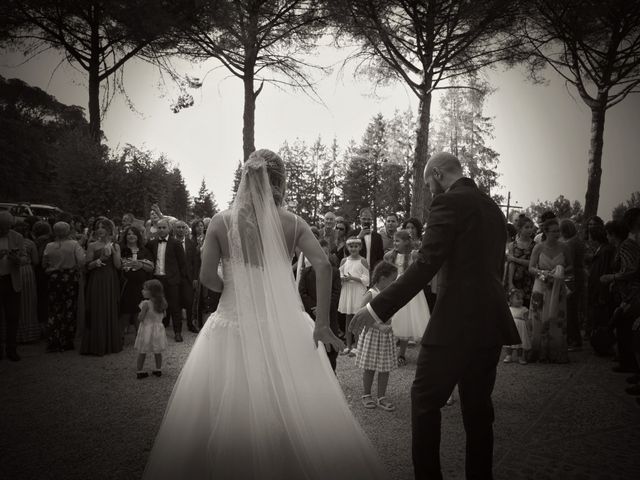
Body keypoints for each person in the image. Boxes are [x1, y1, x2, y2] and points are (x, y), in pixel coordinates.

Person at [142, 149, 386, 480]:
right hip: (284, 325)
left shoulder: (220, 221)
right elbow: (325, 264)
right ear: (280, 181)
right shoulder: (293, 223)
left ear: (246, 178)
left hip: (233, 322)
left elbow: (207, 278)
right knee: (292, 402)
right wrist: (323, 323)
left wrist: (234, 284)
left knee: (224, 405)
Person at [350, 152, 520, 480]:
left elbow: (426, 263)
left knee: (425, 401)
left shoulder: (448, 204)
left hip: (456, 323)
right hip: (491, 323)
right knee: (478, 410)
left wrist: (376, 308)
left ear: (439, 174)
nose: (430, 192)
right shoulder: (494, 210)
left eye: (429, 183)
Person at [356, 261, 399, 412]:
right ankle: (366, 395)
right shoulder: (371, 294)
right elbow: (360, 315)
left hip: (386, 336)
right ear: (382, 278)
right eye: (393, 279)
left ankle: (381, 396)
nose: (395, 282)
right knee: (369, 368)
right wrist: (378, 325)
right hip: (373, 335)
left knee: (385, 368)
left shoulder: (389, 293)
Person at [527, 218, 572, 364]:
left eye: (558, 230)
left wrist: (560, 270)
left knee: (557, 318)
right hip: (541, 285)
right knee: (539, 317)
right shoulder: (538, 248)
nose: (557, 234)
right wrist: (543, 274)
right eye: (553, 231)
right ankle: (538, 352)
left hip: (558, 287)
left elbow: (571, 266)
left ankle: (556, 352)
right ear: (546, 232)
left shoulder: (564, 247)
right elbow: (531, 267)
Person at [384, 229, 431, 367]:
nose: (395, 243)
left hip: (410, 291)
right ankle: (389, 351)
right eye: (394, 241)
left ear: (406, 242)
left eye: (397, 241)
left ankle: (401, 354)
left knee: (405, 322)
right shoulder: (389, 256)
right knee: (392, 320)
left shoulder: (413, 255)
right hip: (393, 289)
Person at [80, 217, 123, 356]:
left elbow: (117, 266)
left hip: (110, 279)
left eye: (103, 227)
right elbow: (87, 266)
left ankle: (109, 343)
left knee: (109, 307)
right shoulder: (92, 245)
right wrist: (100, 259)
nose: (100, 230)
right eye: (98, 227)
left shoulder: (116, 245)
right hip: (97, 279)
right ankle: (96, 344)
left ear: (109, 230)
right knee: (97, 307)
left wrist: (114, 251)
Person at [298, 239, 341, 371]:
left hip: (329, 316)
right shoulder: (305, 272)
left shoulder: (335, 272)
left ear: (329, 254)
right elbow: (302, 292)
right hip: (311, 315)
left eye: (325, 253)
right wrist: (314, 307)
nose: (322, 255)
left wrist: (323, 308)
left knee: (331, 350)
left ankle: (332, 375)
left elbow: (336, 293)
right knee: (312, 347)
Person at [42, 222, 85, 352]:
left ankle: (54, 340)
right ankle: (67, 341)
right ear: (68, 231)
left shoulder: (49, 246)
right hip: (69, 278)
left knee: (54, 309)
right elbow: (81, 261)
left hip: (54, 278)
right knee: (69, 309)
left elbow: (44, 264)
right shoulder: (74, 245)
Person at [147, 219, 187, 342]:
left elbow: (182, 263)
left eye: (164, 227)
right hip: (157, 279)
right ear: (156, 229)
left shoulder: (176, 243)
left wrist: (178, 279)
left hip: (172, 280)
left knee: (175, 306)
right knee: (157, 306)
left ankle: (178, 332)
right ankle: (157, 332)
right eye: (159, 228)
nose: (161, 230)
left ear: (169, 229)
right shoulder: (151, 243)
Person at [0, 211, 28, 361]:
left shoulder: (17, 237)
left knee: (13, 317)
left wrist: (17, 259)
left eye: (7, 227)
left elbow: (25, 258)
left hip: (12, 281)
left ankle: (12, 349)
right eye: (2, 227)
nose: (5, 230)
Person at [119, 226, 154, 334]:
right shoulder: (120, 249)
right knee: (125, 311)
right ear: (125, 236)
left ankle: (140, 338)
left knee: (139, 311)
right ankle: (120, 337)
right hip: (125, 285)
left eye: (133, 234)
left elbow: (151, 267)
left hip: (141, 286)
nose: (131, 236)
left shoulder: (145, 250)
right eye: (128, 234)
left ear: (138, 236)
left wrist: (141, 264)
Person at [338, 237, 370, 356]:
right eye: (351, 246)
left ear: (360, 247)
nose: (353, 249)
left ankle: (357, 346)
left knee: (357, 318)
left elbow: (367, 280)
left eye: (356, 246)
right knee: (348, 318)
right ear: (348, 248)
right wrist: (343, 278)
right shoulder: (344, 261)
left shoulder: (363, 261)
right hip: (347, 290)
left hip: (358, 291)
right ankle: (348, 345)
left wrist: (352, 278)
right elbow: (339, 275)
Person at [134, 279, 168, 379]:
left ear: (152, 292)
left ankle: (140, 371)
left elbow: (140, 318)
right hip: (158, 330)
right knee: (157, 350)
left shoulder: (146, 304)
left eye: (145, 289)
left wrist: (140, 316)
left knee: (142, 350)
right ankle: (158, 370)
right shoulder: (162, 303)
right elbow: (164, 315)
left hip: (146, 330)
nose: (142, 291)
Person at [173, 221, 200, 333]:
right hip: (174, 277)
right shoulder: (171, 242)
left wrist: (195, 278)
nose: (180, 229)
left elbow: (195, 262)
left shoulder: (191, 243)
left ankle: (190, 324)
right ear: (174, 229)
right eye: (178, 227)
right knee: (176, 303)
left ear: (186, 229)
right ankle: (176, 327)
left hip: (188, 278)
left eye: (183, 227)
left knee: (189, 302)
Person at [506, 215, 536, 305]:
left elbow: (532, 264)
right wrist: (510, 282)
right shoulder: (512, 245)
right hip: (516, 279)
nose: (530, 230)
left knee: (527, 306)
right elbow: (511, 264)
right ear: (519, 229)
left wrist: (514, 259)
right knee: (514, 306)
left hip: (529, 280)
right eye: (526, 227)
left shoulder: (535, 245)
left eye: (531, 227)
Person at [503, 289, 531, 364]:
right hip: (511, 328)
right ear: (511, 300)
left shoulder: (524, 309)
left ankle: (520, 357)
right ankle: (509, 355)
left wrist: (529, 329)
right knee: (509, 343)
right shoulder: (508, 309)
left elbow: (527, 320)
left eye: (522, 299)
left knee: (520, 344)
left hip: (521, 329)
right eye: (518, 298)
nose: (520, 300)